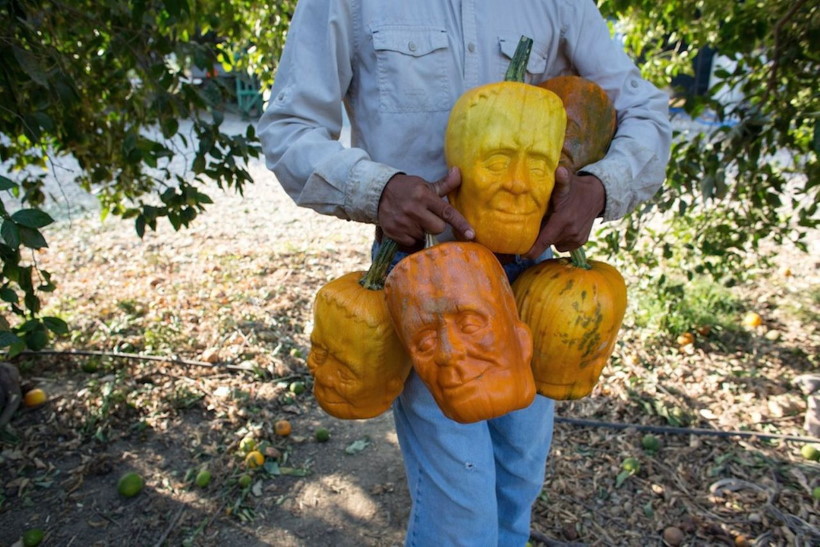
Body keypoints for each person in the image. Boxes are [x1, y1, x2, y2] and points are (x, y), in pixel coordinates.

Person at [258, 1, 671, 545]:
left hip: (532, 282)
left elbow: (644, 109)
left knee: (517, 485)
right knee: (462, 512)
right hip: (426, 283)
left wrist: (600, 187)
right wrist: (379, 190)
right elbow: (289, 128)